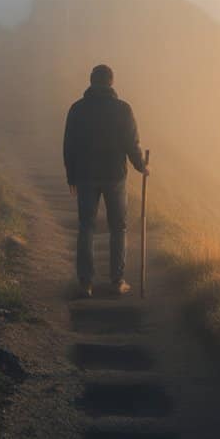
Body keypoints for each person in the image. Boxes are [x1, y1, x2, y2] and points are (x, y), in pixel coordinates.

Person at [63, 64, 148, 297]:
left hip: (85, 176)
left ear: (91, 81)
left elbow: (69, 145)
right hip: (114, 176)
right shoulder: (123, 110)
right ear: (111, 82)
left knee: (86, 227)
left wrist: (71, 175)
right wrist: (141, 166)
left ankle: (85, 283)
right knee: (118, 228)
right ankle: (117, 281)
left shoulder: (77, 109)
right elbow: (132, 143)